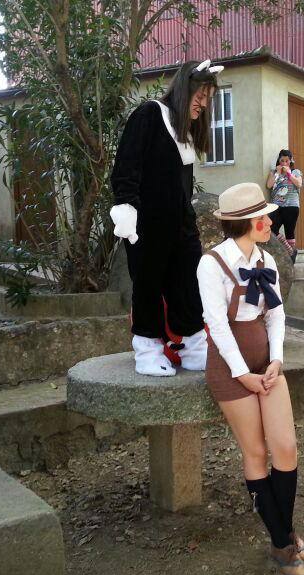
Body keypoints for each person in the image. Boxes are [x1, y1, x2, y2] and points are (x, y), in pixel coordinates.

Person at [196, 182, 304, 575]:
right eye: (263, 216)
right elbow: (215, 325)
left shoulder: (268, 259)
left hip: (266, 359)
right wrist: (242, 374)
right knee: (256, 451)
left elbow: (275, 314)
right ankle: (282, 542)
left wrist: (276, 360)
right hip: (230, 366)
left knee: (287, 448)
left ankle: (286, 531)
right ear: (246, 222)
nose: (270, 220)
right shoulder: (211, 264)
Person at [111, 59, 222, 376]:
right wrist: (127, 207)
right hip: (147, 225)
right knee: (147, 285)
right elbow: (126, 166)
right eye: (200, 95)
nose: (203, 104)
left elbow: (180, 188)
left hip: (181, 228)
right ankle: (147, 352)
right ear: (185, 90)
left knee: (187, 285)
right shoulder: (150, 114)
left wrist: (189, 226)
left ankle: (193, 347)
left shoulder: (184, 134)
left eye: (208, 98)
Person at [266, 149, 303, 263]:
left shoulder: (296, 172)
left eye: (287, 161)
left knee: (289, 232)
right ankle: (290, 250)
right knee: (271, 228)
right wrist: (277, 173)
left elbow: (299, 184)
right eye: (282, 160)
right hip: (277, 205)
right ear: (279, 161)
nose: (284, 163)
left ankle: (290, 257)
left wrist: (288, 173)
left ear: (290, 161)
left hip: (292, 206)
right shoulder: (274, 172)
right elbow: (269, 185)